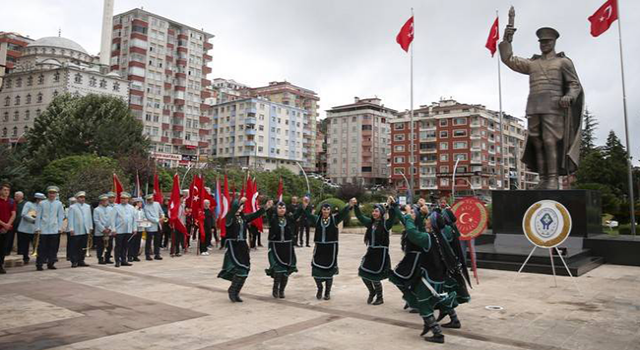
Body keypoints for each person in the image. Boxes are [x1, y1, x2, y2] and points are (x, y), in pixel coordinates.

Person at [394, 203, 458, 344]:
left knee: (423, 306)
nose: (426, 220)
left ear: (432, 224)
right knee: (426, 301)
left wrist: (410, 218)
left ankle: (437, 333)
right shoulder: (440, 236)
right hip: (438, 279)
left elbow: (412, 233)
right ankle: (431, 324)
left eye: (428, 219)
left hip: (429, 280)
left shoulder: (428, 238)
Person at [218, 197, 270, 302]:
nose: (239, 208)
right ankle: (232, 290)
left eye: (241, 206)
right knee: (239, 268)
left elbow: (255, 215)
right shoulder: (229, 217)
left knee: (246, 268)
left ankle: (236, 291)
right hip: (233, 245)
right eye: (237, 205)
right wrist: (239, 202)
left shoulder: (243, 218)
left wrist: (265, 208)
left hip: (242, 245)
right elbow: (232, 212)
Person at [302, 196, 351, 301]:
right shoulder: (317, 219)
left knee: (329, 271)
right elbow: (308, 215)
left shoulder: (335, 219)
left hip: (330, 249)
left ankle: (327, 292)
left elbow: (343, 214)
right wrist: (306, 206)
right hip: (319, 248)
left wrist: (349, 205)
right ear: (321, 210)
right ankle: (320, 288)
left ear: (330, 211)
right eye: (324, 209)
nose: (326, 211)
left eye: (328, 209)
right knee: (316, 269)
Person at [352, 196, 396, 305]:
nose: (374, 212)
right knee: (363, 273)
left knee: (375, 277)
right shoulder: (370, 223)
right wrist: (356, 206)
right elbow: (360, 216)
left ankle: (380, 298)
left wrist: (392, 205)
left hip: (380, 254)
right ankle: (372, 292)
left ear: (381, 213)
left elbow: (393, 217)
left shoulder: (386, 224)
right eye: (373, 211)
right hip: (371, 252)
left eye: (376, 211)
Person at [434, 198, 471, 327]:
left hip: (447, 266)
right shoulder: (452, 228)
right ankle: (451, 317)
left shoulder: (446, 231)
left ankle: (452, 318)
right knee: (443, 292)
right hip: (450, 265)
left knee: (443, 292)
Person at [265, 200, 302, 299]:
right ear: (276, 209)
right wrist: (268, 208)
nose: (282, 210)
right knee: (278, 270)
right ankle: (275, 289)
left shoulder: (289, 218)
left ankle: (282, 290)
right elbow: (268, 214)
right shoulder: (273, 218)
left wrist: (303, 205)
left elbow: (297, 214)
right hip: (275, 246)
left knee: (286, 270)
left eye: (283, 208)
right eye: (280, 208)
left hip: (287, 247)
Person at [35, 186, 65, 271]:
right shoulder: (42, 203)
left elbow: (60, 216)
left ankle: (51, 263)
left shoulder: (59, 204)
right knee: (42, 248)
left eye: (53, 193)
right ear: (48, 194)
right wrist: (37, 227)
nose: (52, 194)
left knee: (53, 248)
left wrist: (60, 227)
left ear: (56, 194)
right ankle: (39, 264)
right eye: (50, 193)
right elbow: (38, 216)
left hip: (54, 229)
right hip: (43, 229)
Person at [111, 192, 137, 267]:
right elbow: (112, 219)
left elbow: (134, 219)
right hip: (119, 230)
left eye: (125, 198)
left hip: (128, 229)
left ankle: (123, 260)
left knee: (125, 246)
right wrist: (113, 229)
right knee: (118, 246)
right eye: (122, 198)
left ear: (128, 199)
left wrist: (134, 229)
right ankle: (117, 261)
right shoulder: (116, 207)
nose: (123, 200)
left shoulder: (131, 208)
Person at [17, 193, 44, 264]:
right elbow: (23, 214)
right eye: (40, 199)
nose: (41, 201)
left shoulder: (42, 206)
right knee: (25, 245)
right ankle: (25, 258)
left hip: (35, 229)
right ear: (36, 199)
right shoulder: (29, 204)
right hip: (25, 229)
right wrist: (34, 220)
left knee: (37, 245)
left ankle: (40, 258)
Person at [67, 191, 93, 268]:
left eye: (83, 197)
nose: (82, 199)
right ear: (77, 198)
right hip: (76, 229)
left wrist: (90, 227)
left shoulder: (87, 206)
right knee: (75, 246)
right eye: (81, 197)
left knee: (83, 246)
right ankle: (74, 261)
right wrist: (71, 228)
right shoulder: (73, 207)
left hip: (85, 229)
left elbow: (89, 217)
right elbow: (70, 219)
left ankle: (81, 260)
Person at [0, 183, 17, 274]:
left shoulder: (11, 201)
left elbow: (13, 214)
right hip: (1, 227)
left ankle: (1, 265)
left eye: (8, 190)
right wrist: (3, 224)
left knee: (4, 248)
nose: (6, 192)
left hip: (7, 228)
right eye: (4, 190)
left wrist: (7, 225)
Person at [143, 194, 164, 261]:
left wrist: (162, 216)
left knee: (157, 240)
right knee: (149, 241)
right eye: (149, 200)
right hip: (151, 225)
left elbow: (161, 211)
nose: (150, 200)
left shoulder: (157, 204)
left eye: (151, 199)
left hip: (158, 225)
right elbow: (148, 217)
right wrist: (158, 220)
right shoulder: (146, 207)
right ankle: (147, 255)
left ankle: (157, 254)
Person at [5, 191, 25, 258]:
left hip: (21, 223)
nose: (15, 197)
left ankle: (20, 252)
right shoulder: (12, 202)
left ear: (21, 197)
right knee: (9, 238)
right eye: (15, 196)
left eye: (17, 196)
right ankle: (7, 251)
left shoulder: (25, 204)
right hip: (12, 223)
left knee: (21, 238)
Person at [93, 194, 112, 264]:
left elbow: (112, 219)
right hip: (100, 231)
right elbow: (96, 220)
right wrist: (103, 229)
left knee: (109, 245)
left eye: (106, 200)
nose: (105, 202)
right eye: (103, 201)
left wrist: (109, 228)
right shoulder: (96, 210)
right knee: (100, 246)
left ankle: (107, 258)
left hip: (109, 231)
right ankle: (100, 258)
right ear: (100, 201)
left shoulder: (111, 209)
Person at [128, 198, 145, 262]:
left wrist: (144, 221)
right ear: (136, 203)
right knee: (132, 243)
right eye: (139, 202)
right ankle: (130, 256)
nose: (140, 204)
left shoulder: (142, 210)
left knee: (138, 243)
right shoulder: (133, 210)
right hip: (134, 229)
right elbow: (133, 218)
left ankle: (135, 255)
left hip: (140, 228)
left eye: (141, 203)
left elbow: (144, 217)